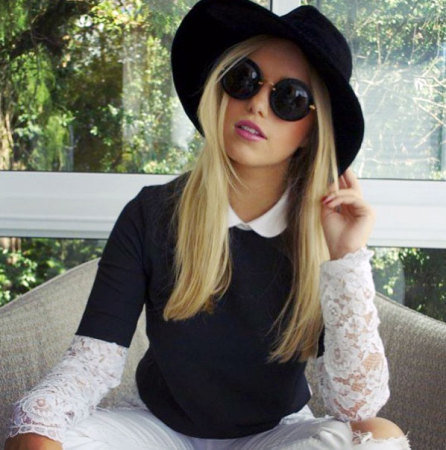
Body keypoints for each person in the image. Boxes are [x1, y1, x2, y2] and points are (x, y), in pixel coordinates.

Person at [5, 0, 411, 449]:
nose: (257, 104)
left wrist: (346, 256)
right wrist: (37, 421)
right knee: (37, 435)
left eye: (290, 99)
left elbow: (356, 407)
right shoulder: (152, 213)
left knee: (378, 438)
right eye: (244, 79)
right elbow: (93, 360)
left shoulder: (320, 234)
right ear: (220, 90)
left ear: (312, 130)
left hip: (275, 435)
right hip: (158, 431)